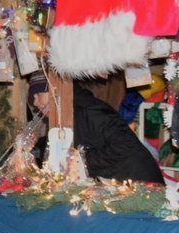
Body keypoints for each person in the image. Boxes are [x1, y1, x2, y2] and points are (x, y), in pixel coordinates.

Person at [30, 74, 164, 184]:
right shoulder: (65, 117)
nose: (35, 103)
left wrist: (82, 159)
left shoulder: (89, 110)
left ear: (55, 91)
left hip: (140, 185)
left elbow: (125, 145)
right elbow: (69, 143)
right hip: (120, 186)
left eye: (39, 94)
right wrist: (35, 145)